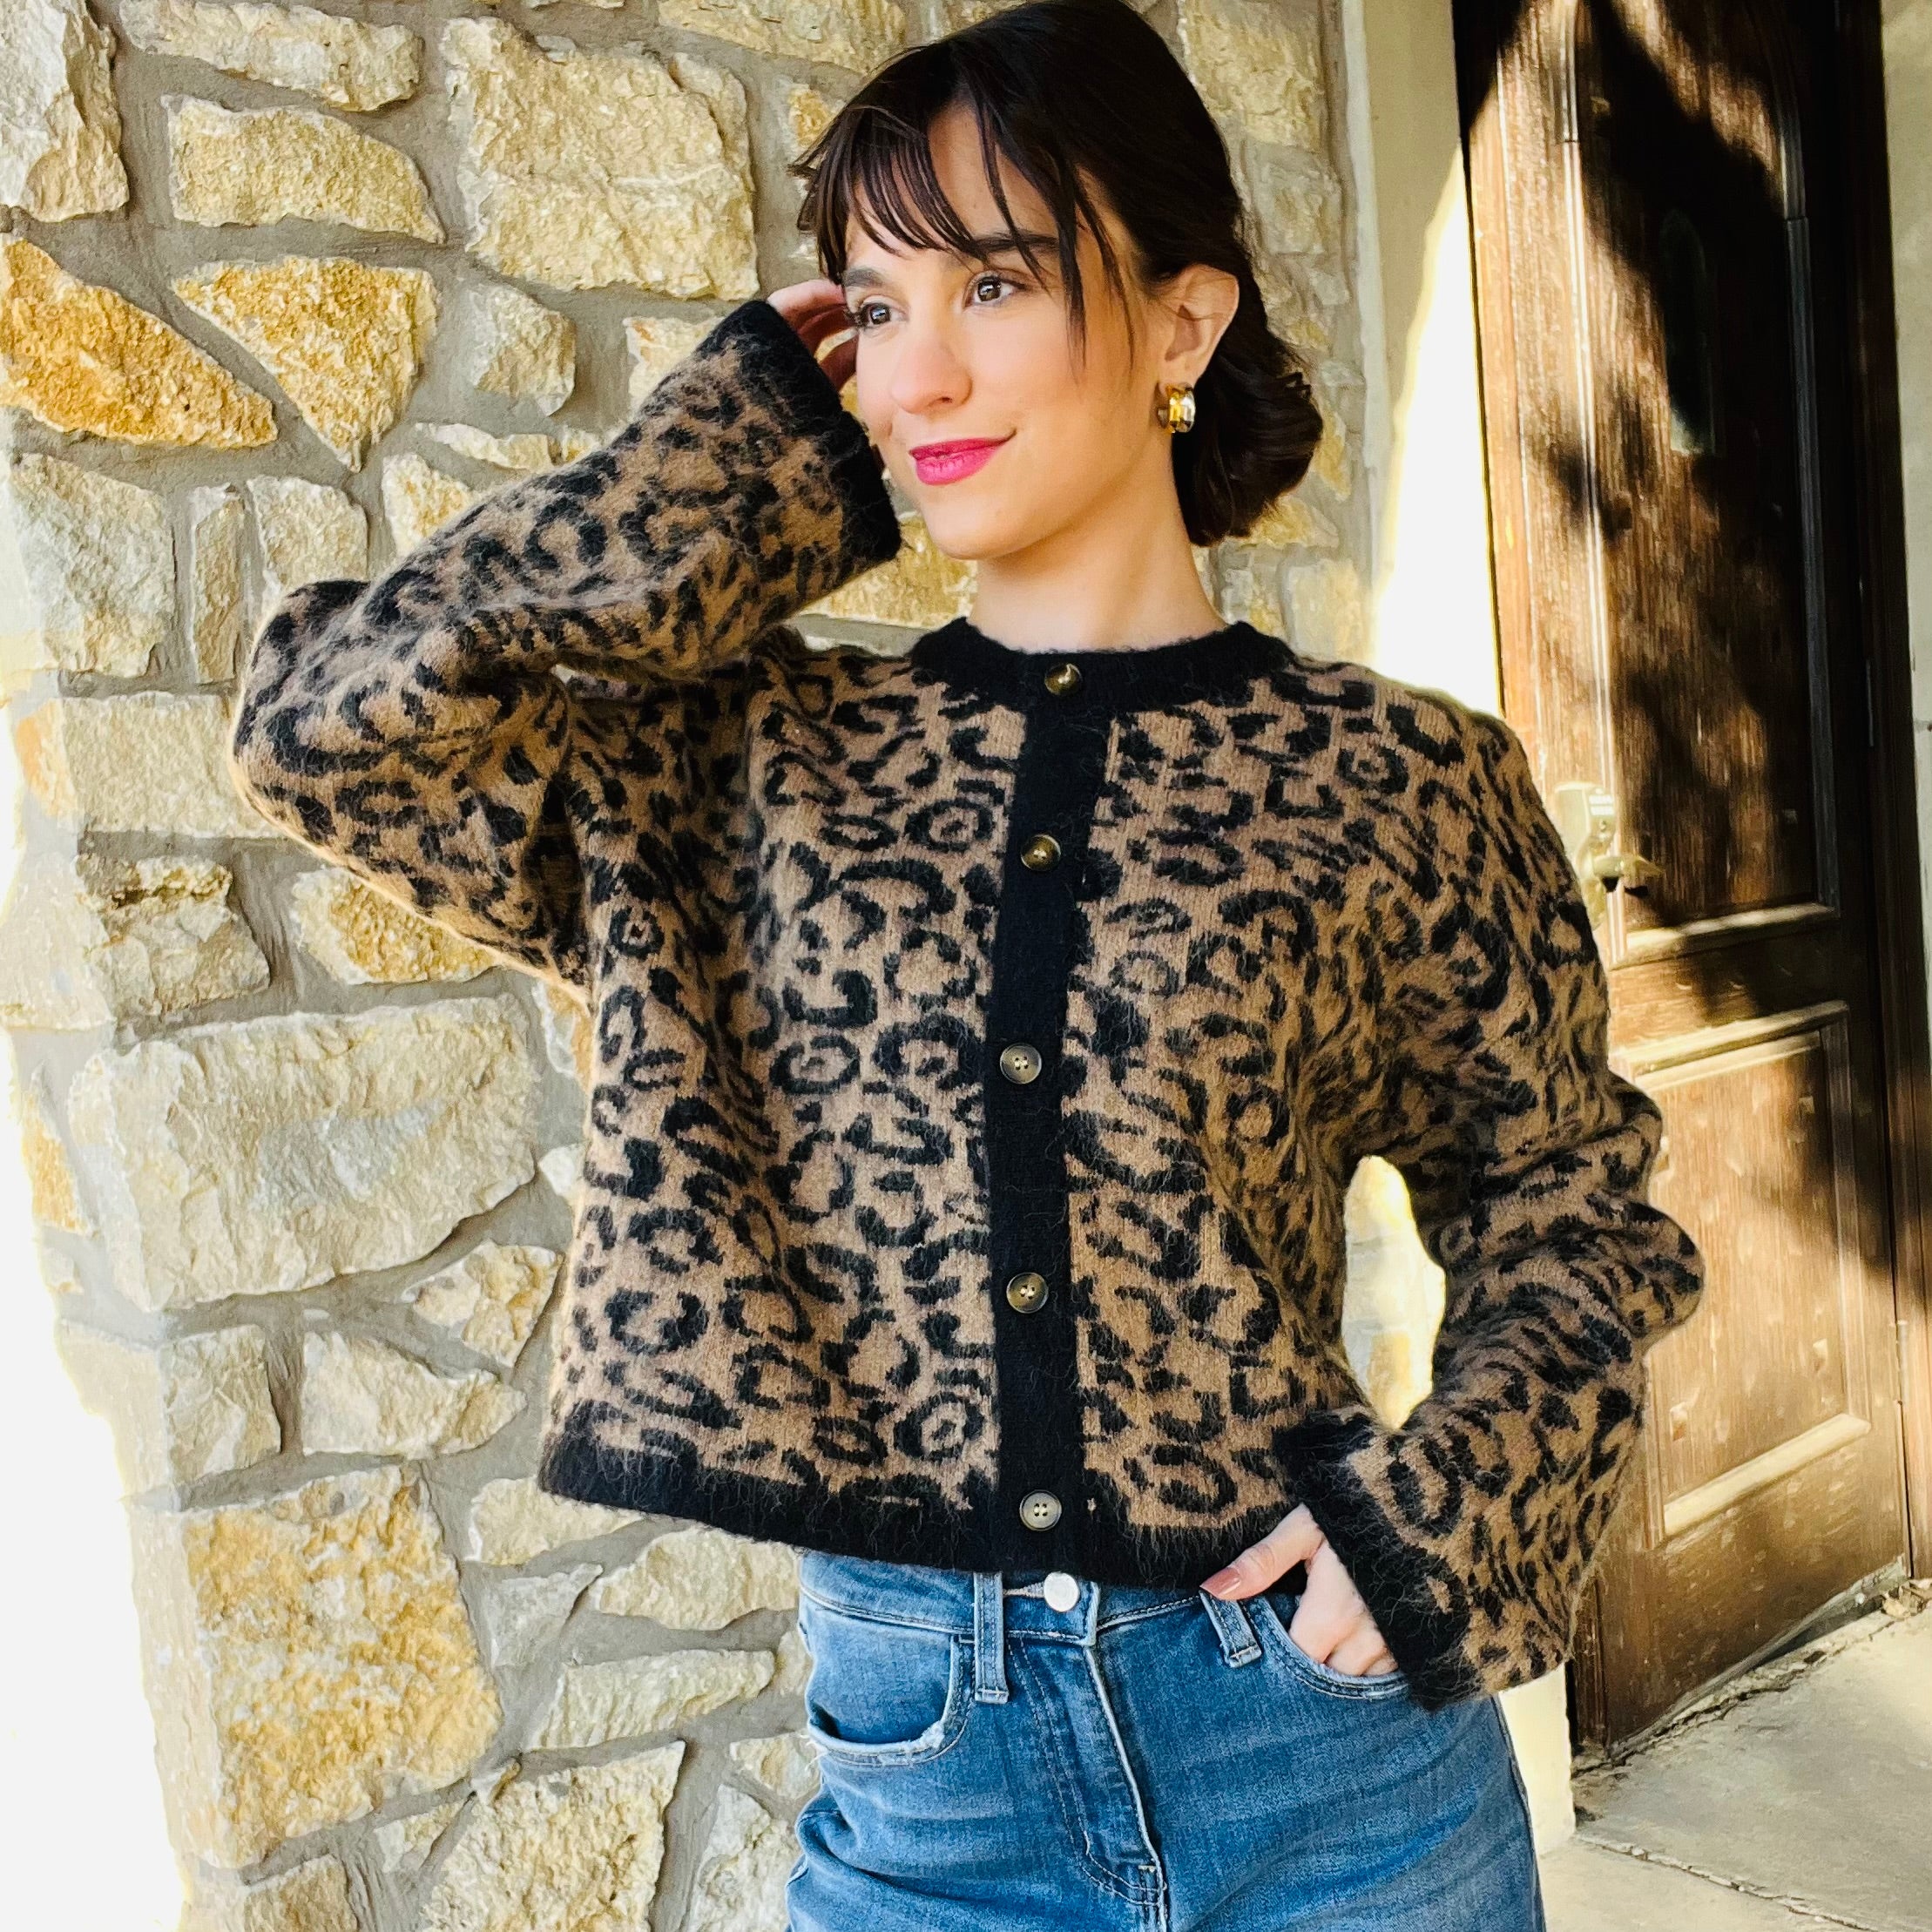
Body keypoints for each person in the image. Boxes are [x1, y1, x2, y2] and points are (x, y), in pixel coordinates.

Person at [227, 0, 1706, 1923]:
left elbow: (1569, 1212)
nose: (915, 371)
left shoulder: (1394, 778)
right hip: (932, 1784)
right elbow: (319, 729)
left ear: (1180, 322)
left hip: (1323, 1751)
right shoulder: (735, 766)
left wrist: (1435, 1520)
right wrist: (718, 465)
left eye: (991, 284)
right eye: (874, 304)